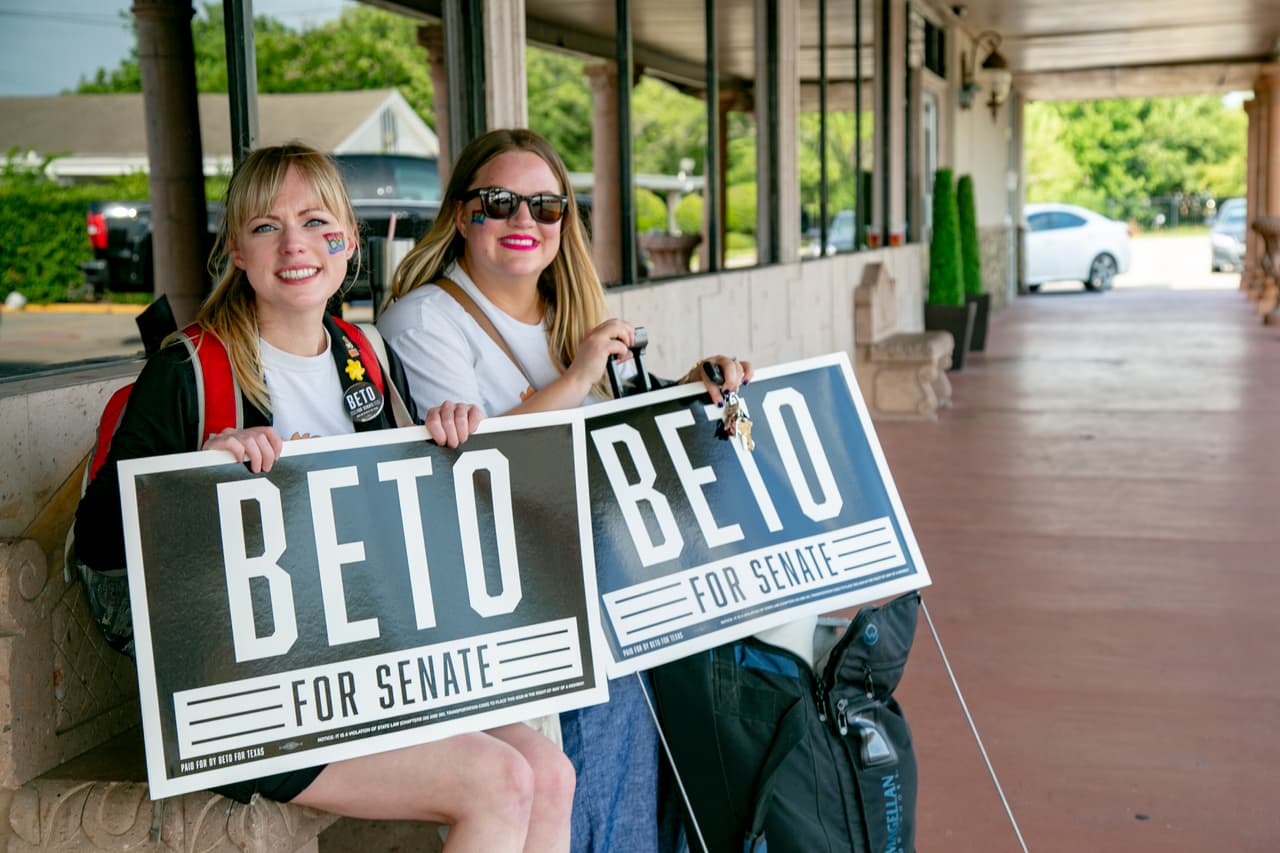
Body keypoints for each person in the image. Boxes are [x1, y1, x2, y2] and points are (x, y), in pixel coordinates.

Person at [73, 142, 575, 853]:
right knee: (500, 781)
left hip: (362, 662)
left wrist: (441, 440)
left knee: (550, 773)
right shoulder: (188, 368)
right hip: (244, 690)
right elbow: (97, 545)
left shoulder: (360, 354)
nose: (295, 245)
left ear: (347, 246)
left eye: (316, 223)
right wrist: (193, 479)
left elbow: (406, 518)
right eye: (266, 227)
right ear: (236, 251)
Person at [377, 128, 752, 853]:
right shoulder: (424, 319)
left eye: (545, 206)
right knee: (593, 772)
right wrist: (576, 377)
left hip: (599, 579)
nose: (525, 221)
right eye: (501, 202)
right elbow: (465, 461)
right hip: (511, 602)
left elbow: (607, 438)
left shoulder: (570, 313)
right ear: (462, 214)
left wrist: (687, 390)